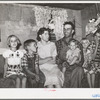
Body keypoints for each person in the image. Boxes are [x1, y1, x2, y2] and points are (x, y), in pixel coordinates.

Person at [55, 21, 84, 88]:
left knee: (79, 70)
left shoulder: (78, 44)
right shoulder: (58, 43)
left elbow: (81, 61)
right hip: (62, 66)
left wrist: (74, 61)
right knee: (64, 73)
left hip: (74, 66)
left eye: (68, 29)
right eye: (64, 29)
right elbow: (56, 59)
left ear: (72, 31)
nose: (65, 31)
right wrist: (64, 62)